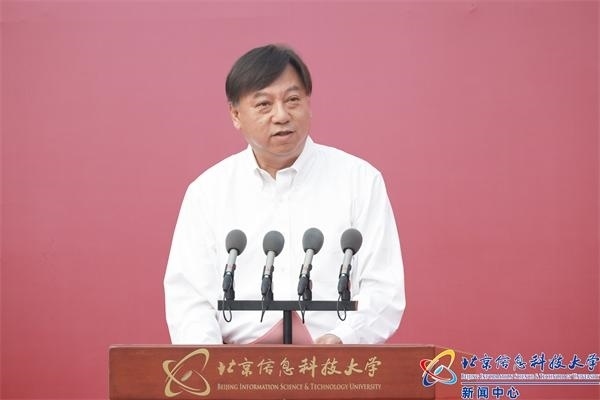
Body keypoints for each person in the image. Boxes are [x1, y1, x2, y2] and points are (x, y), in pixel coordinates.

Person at [164, 44, 405, 345]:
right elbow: (189, 299)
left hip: (334, 361)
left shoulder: (359, 181)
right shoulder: (208, 192)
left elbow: (384, 289)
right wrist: (212, 364)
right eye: (264, 105)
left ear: (308, 103)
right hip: (239, 365)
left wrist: (343, 339)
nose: (281, 115)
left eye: (292, 100)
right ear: (236, 115)